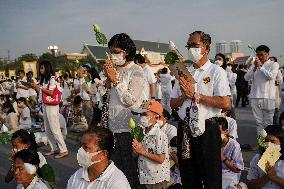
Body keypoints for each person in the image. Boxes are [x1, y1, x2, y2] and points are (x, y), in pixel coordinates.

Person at [170, 30, 231, 188]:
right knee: (188, 174)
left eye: (195, 45)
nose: (191, 49)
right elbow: (172, 104)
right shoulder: (183, 71)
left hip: (207, 129)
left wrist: (197, 95)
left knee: (210, 176)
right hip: (184, 129)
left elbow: (225, 103)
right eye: (188, 45)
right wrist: (185, 96)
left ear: (206, 48)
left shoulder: (216, 71)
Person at [103, 33, 149, 188]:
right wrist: (109, 79)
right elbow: (109, 93)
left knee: (130, 171)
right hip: (112, 126)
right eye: (111, 52)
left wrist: (115, 80)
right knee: (115, 169)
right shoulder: (115, 69)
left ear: (126, 51)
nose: (113, 55)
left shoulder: (136, 71)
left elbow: (130, 100)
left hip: (128, 127)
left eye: (116, 51)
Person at [67, 127, 131, 189]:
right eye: (80, 146)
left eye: (86, 147)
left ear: (103, 154)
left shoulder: (117, 183)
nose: (80, 150)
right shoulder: (77, 176)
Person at [32, 60, 68, 159]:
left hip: (52, 105)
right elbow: (40, 92)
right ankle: (54, 148)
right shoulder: (43, 79)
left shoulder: (52, 78)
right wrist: (36, 87)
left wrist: (39, 88)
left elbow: (51, 93)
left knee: (55, 128)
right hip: (45, 104)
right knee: (47, 129)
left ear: (47, 68)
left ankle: (63, 149)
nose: (40, 69)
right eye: (40, 68)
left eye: (42, 68)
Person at [132, 100, 170, 188]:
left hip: (156, 180)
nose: (142, 117)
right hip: (144, 177)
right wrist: (136, 150)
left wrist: (142, 151)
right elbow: (134, 155)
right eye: (140, 115)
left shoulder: (160, 135)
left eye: (145, 114)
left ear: (156, 117)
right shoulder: (140, 133)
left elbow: (161, 159)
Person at [244, 45, 279, 138]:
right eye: (258, 55)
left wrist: (261, 67)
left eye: (261, 55)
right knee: (259, 123)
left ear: (267, 54)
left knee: (268, 124)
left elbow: (271, 77)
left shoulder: (273, 64)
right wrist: (255, 67)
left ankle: (270, 148)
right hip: (255, 97)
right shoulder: (254, 64)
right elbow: (246, 77)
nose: (259, 57)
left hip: (268, 98)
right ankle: (262, 146)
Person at [219, 117, 244, 189]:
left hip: (229, 175)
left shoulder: (234, 145)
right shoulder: (212, 143)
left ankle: (240, 187)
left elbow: (237, 169)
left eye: (218, 132)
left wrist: (223, 158)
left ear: (226, 131)